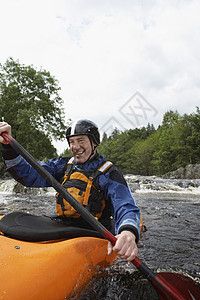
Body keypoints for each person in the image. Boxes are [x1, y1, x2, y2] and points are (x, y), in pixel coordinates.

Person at [0, 120, 141, 262]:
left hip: (95, 231)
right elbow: (27, 174)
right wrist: (8, 148)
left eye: (81, 140)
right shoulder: (63, 165)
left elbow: (125, 205)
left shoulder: (108, 173)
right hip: (63, 225)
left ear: (94, 143)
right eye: (72, 142)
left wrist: (128, 231)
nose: (75, 146)